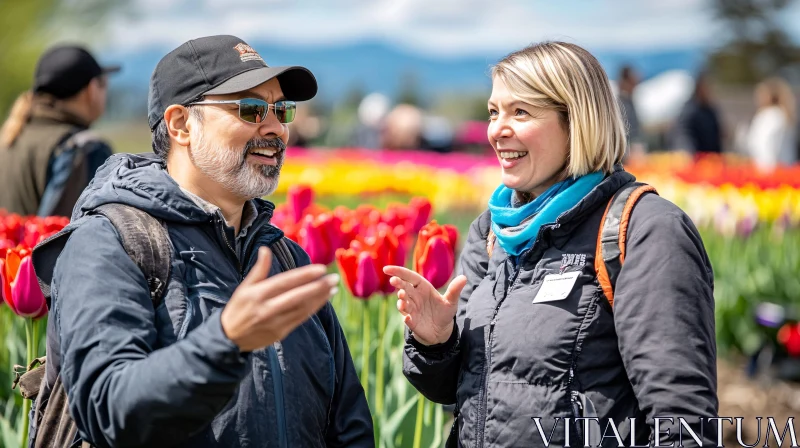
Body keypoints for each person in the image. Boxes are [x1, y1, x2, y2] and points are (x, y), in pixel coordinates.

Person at [32, 35, 373, 447]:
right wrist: (226, 342)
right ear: (180, 124)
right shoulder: (112, 245)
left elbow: (348, 425)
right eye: (250, 109)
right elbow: (108, 410)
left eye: (282, 110)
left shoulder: (286, 258)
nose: (276, 128)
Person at [385, 42, 717, 447]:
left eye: (520, 112)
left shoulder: (644, 230)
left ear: (576, 121)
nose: (496, 130)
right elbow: (466, 392)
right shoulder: (493, 232)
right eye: (494, 112)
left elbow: (682, 424)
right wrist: (438, 342)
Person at [0, 45, 117, 217]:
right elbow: (67, 236)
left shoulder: (11, 135)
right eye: (103, 84)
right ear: (91, 89)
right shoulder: (85, 148)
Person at [744, 77, 797, 172]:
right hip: (785, 165)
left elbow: (763, 143)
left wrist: (766, 168)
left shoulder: (771, 116)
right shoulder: (783, 114)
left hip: (771, 168)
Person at [670, 72, 724, 154]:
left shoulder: (711, 110)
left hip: (711, 159)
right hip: (695, 157)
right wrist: (687, 152)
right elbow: (683, 135)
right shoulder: (689, 110)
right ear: (699, 87)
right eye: (706, 87)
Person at [616, 65, 646, 158]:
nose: (635, 86)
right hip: (624, 155)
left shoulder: (630, 100)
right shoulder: (619, 104)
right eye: (633, 82)